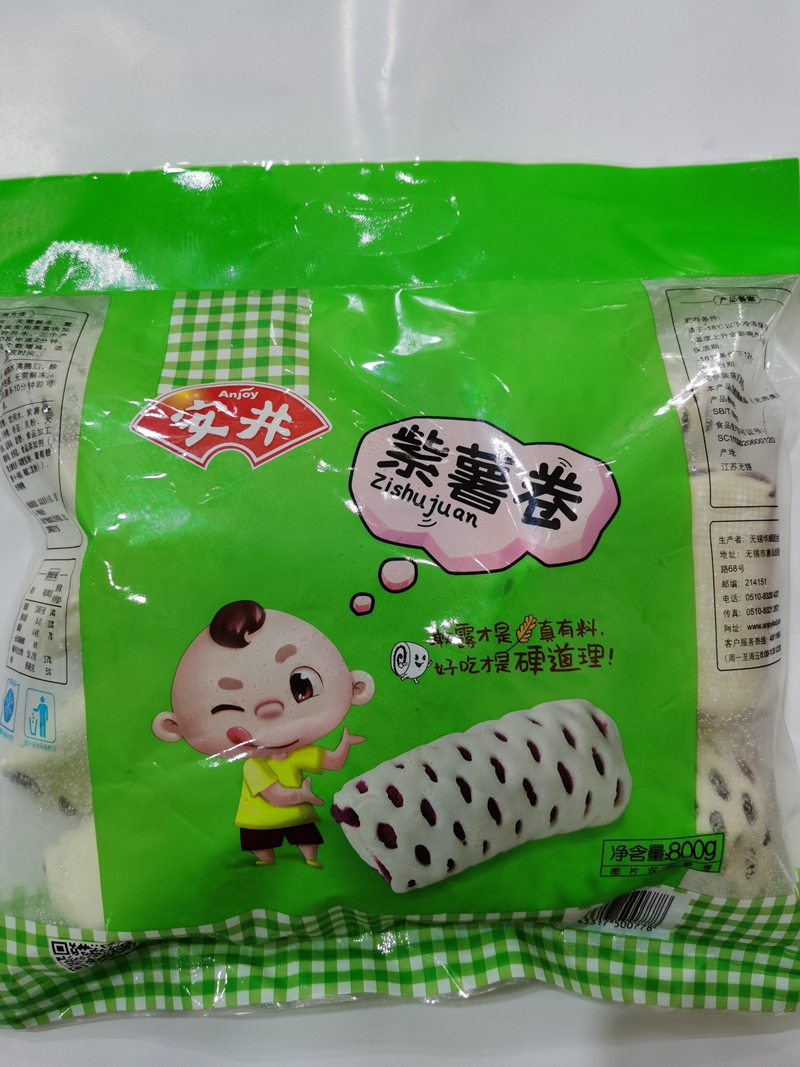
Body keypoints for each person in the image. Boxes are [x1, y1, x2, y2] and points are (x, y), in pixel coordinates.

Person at [152, 600, 374, 868]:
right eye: (229, 708)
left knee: (306, 838)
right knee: (261, 844)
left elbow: (334, 762)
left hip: (297, 815)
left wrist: (345, 742)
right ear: (171, 726)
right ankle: (267, 862)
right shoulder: (254, 766)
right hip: (259, 819)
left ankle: (308, 859)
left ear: (356, 687)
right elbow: (275, 795)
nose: (271, 712)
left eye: (302, 687)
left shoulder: (299, 754)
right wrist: (301, 796)